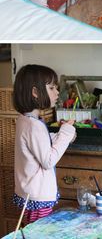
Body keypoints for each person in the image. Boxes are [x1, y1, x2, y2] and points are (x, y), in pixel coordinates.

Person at [13, 64, 75, 224]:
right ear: (35, 92)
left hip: (29, 194)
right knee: (40, 233)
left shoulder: (25, 120)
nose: (57, 92)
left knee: (33, 232)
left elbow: (38, 144)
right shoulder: (34, 126)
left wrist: (61, 134)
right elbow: (48, 160)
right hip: (37, 197)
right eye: (52, 88)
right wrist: (66, 133)